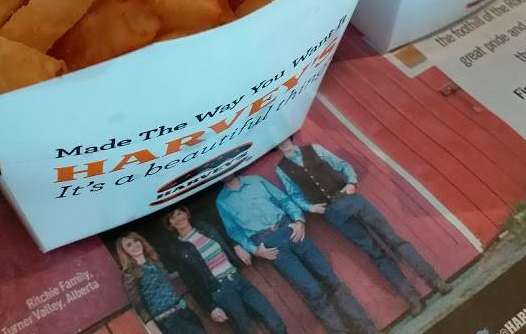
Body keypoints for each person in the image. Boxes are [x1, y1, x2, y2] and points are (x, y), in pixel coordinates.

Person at [275, 137, 450, 316]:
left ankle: (435, 281)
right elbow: (294, 195)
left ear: (289, 136)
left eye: (284, 138)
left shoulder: (314, 149)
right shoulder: (282, 169)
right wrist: (311, 207)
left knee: (394, 240)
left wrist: (351, 182)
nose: (283, 142)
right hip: (333, 212)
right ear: (275, 145)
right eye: (279, 141)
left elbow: (342, 165)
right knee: (374, 252)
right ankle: (412, 298)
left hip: (351, 199)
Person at [215, 173, 376, 334]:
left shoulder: (255, 180)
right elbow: (234, 231)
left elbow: (284, 200)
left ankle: (366, 328)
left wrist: (298, 220)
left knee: (329, 276)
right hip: (270, 245)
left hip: (290, 231)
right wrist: (254, 249)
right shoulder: (222, 201)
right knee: (311, 289)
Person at [164, 206, 287, 334]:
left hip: (237, 278)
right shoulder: (178, 250)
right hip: (221, 290)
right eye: (173, 218)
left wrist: (236, 245)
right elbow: (192, 283)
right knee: (245, 328)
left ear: (186, 213)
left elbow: (227, 234)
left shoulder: (205, 227)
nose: (178, 218)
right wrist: (211, 307)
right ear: (170, 224)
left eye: (179, 213)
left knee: (271, 316)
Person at [116, 231, 206, 334]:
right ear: (124, 252)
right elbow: (139, 306)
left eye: (136, 240)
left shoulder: (155, 262)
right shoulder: (129, 274)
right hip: (169, 321)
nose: (134, 245)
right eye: (129, 245)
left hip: (185, 311)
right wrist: (155, 331)